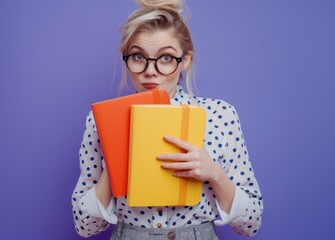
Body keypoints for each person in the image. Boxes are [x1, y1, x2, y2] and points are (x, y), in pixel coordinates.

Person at [72, 0, 263, 239]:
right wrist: (115, 163)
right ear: (126, 58)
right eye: (138, 57)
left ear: (185, 60)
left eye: (165, 58)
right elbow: (84, 226)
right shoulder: (100, 120)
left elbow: (251, 223)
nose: (150, 70)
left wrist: (214, 173)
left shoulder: (220, 115)